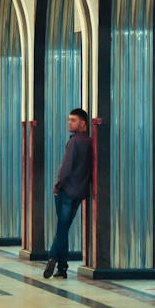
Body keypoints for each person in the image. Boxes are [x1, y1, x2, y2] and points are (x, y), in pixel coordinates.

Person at [43, 108, 94, 279]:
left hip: (66, 191)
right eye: (68, 120)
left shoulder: (74, 142)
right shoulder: (89, 141)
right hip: (79, 192)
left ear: (83, 123)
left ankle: (61, 266)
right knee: (64, 228)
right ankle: (54, 258)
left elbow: (65, 168)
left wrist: (57, 187)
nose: (69, 123)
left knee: (62, 230)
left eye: (73, 120)